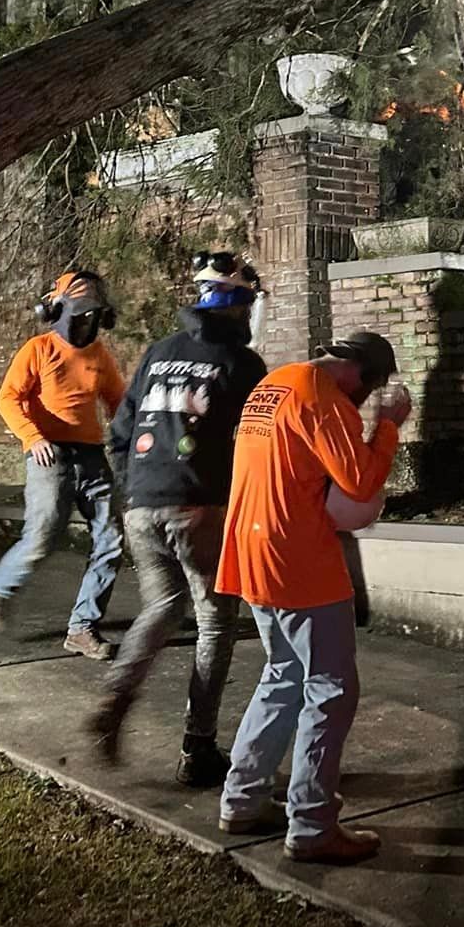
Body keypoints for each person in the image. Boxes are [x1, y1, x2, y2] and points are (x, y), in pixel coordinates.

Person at [216, 330, 412, 863]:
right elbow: (360, 480)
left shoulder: (275, 382)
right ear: (361, 375)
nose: (365, 402)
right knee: (331, 688)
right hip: (298, 559)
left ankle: (242, 799)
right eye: (369, 392)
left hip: (251, 551)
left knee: (283, 674)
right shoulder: (324, 399)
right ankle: (312, 825)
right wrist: (388, 427)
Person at [88, 254, 268, 784]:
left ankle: (118, 695)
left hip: (142, 504)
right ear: (239, 306)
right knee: (215, 621)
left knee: (162, 605)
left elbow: (120, 430)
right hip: (199, 505)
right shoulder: (242, 364)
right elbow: (256, 441)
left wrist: (136, 486)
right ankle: (198, 748)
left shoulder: (159, 352)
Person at [0, 269, 126, 659]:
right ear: (57, 309)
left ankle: (82, 628)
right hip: (48, 454)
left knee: (110, 541)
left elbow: (118, 402)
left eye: (93, 314)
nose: (87, 322)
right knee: (42, 537)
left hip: (92, 457)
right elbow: (8, 398)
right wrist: (33, 436)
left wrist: (134, 433)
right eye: (81, 313)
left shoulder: (99, 356)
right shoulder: (38, 349)